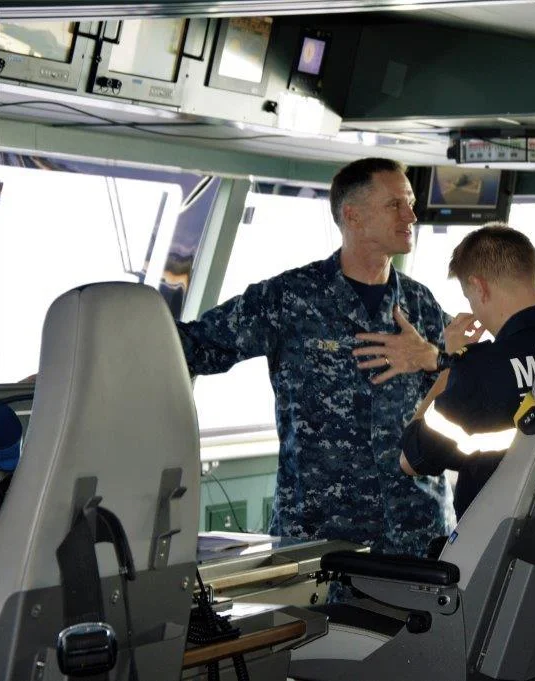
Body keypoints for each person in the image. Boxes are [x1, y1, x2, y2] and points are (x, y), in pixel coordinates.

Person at [176, 157, 477, 563]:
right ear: (352, 215)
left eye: (409, 202)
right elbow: (194, 347)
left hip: (416, 534)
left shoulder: (420, 304)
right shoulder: (289, 299)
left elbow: (472, 388)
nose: (411, 215)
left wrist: (433, 357)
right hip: (322, 540)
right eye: (395, 205)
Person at [396, 224, 535, 681]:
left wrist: (449, 365)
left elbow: (412, 457)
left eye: (470, 299)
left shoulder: (483, 368)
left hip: (505, 578)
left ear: (479, 286)